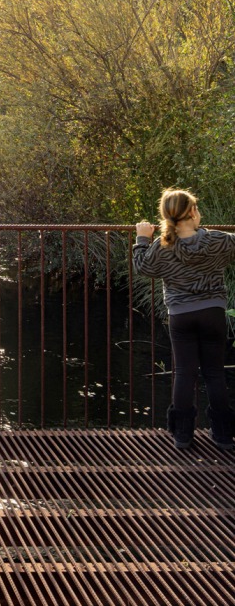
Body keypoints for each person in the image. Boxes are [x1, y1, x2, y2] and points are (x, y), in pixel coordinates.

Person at [133, 188, 235, 450]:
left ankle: (182, 436)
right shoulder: (219, 240)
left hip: (181, 314)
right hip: (213, 312)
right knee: (214, 372)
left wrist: (142, 239)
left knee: (183, 372)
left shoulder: (163, 244)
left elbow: (144, 267)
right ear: (192, 212)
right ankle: (223, 436)